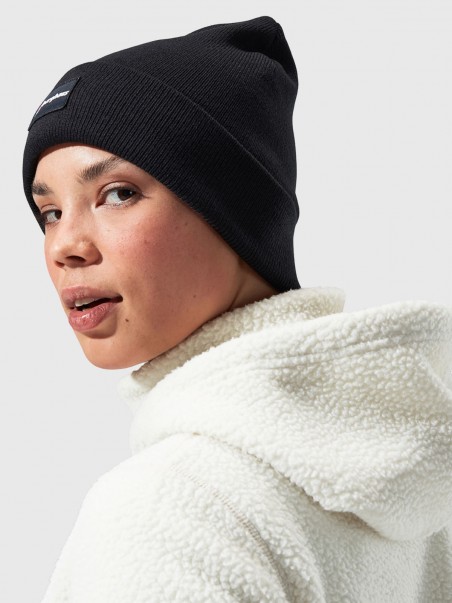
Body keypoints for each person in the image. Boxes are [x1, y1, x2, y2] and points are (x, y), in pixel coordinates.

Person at [22, 15, 452, 603]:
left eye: (117, 194)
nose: (64, 246)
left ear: (233, 212)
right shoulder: (413, 490)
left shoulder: (170, 508)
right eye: (50, 213)